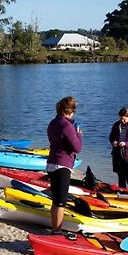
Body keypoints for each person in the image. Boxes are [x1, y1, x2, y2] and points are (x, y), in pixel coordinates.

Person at [46, 96, 83, 231]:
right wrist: (78, 135)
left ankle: (55, 228)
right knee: (61, 202)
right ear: (71, 110)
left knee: (55, 201)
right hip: (62, 164)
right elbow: (77, 148)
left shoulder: (53, 122)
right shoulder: (67, 125)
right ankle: (57, 231)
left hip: (52, 163)